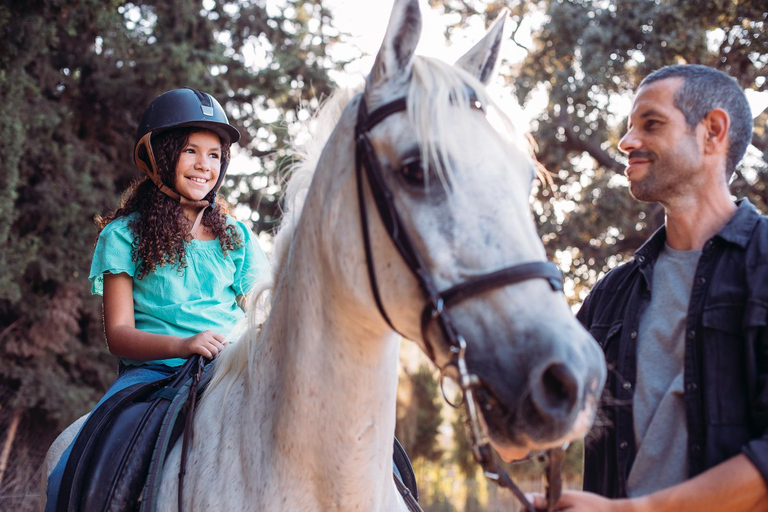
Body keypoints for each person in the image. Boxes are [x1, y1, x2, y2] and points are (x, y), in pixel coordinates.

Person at [530, 64, 768, 511]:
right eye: (628, 127)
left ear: (712, 132)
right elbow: (528, 433)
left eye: (651, 123)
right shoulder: (611, 295)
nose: (626, 142)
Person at [44, 88, 269, 510]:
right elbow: (119, 335)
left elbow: (262, 314)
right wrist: (183, 345)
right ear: (160, 157)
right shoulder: (123, 236)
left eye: (215, 155)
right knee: (71, 469)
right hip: (152, 374)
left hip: (229, 367)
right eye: (190, 151)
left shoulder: (237, 238)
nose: (204, 165)